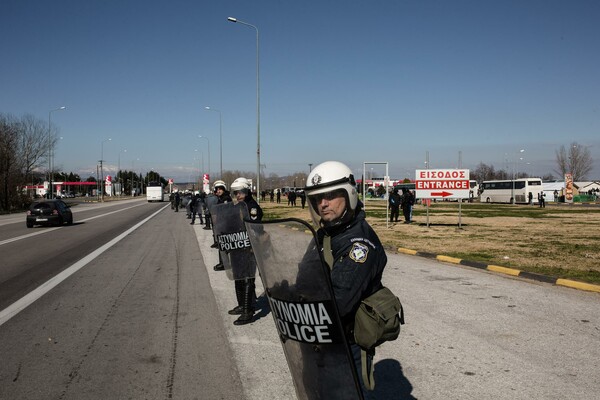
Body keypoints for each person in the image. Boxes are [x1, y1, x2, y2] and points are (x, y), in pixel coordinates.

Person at [304, 161, 387, 399]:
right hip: (320, 335)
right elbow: (303, 277)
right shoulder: (324, 234)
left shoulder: (359, 244)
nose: (323, 204)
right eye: (318, 198)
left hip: (346, 344)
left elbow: (338, 301)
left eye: (330, 196)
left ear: (349, 195)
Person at [228, 177, 263, 325]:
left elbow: (255, 227)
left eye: (240, 192)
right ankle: (242, 304)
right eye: (236, 192)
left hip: (250, 247)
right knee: (239, 277)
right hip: (239, 246)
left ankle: (248, 311)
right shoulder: (240, 205)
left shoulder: (252, 206)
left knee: (248, 278)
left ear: (246, 191)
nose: (238, 195)